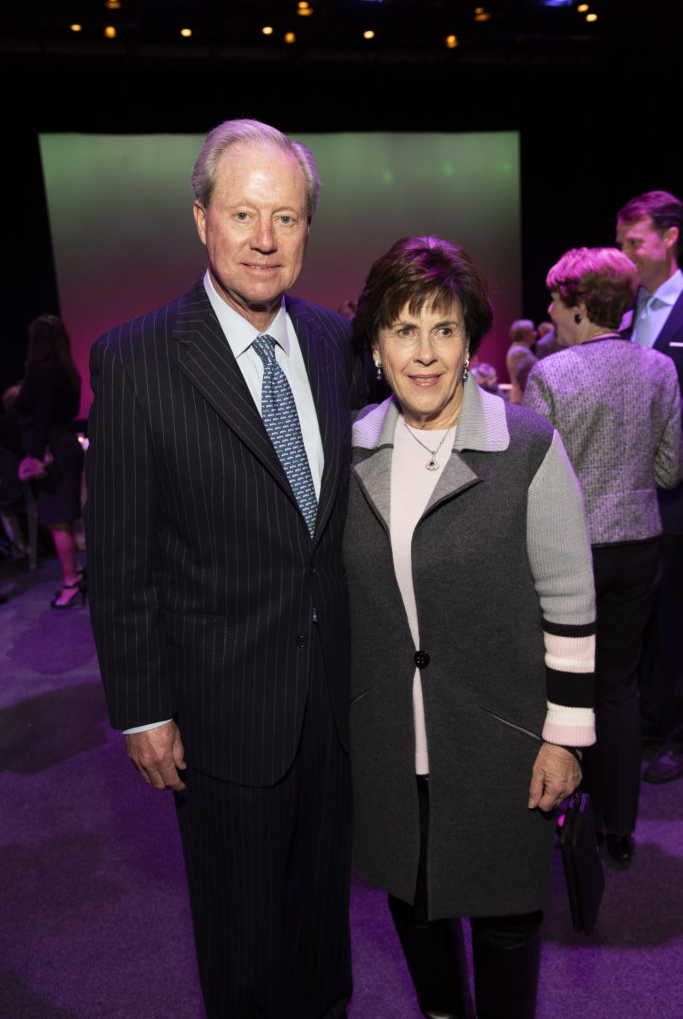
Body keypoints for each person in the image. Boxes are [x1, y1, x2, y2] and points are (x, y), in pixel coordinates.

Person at [86, 119, 365, 1019]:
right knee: (243, 950)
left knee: (324, 928)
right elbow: (121, 560)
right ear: (200, 217)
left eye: (284, 217)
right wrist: (143, 709)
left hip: (335, 703)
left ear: (306, 230)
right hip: (219, 709)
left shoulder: (336, 346)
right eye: (242, 213)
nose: (263, 239)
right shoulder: (134, 359)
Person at [345, 236, 596, 1019]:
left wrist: (564, 734)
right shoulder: (349, 450)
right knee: (414, 902)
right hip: (389, 737)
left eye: (444, 329)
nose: (423, 354)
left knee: (506, 917)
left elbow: (570, 598)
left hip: (500, 737)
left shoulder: (525, 447)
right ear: (377, 346)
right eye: (403, 330)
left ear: (468, 341)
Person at [524, 247, 682, 863]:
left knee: (566, 688)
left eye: (555, 300)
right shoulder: (659, 370)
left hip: (572, 554)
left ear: (581, 306)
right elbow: (670, 470)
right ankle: (619, 833)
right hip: (640, 547)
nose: (548, 311)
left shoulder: (550, 375)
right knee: (620, 687)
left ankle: (564, 819)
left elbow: (532, 482)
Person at [616, 190, 683, 783]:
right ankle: (657, 726)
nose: (626, 255)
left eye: (634, 243)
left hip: (679, 495)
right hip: (640, 500)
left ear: (670, 238)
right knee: (655, 624)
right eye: (621, 245)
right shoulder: (625, 310)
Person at [11, 314, 85, 606]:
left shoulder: (41, 371)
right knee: (62, 515)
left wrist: (38, 456)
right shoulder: (67, 370)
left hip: (53, 448)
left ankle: (71, 582)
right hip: (67, 443)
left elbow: (41, 415)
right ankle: (75, 572)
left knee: (56, 519)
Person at [505, 317, 537, 383]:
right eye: (532, 330)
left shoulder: (520, 349)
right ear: (524, 334)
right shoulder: (519, 352)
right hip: (523, 392)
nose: (535, 333)